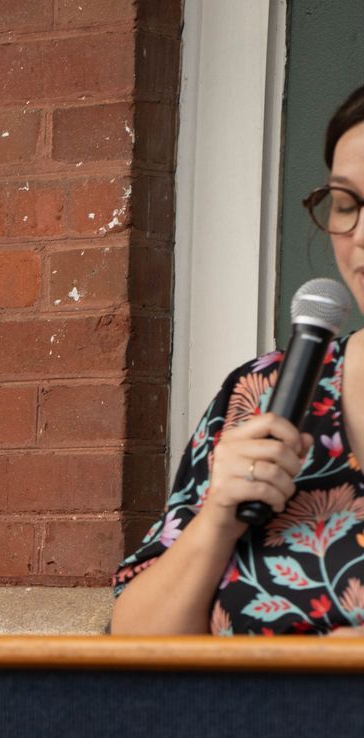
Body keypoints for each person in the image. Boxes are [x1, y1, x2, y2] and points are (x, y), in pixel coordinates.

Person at [113, 85, 364, 635]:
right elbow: (132, 643)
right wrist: (218, 519)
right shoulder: (259, 392)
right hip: (254, 724)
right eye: (347, 205)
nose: (361, 234)